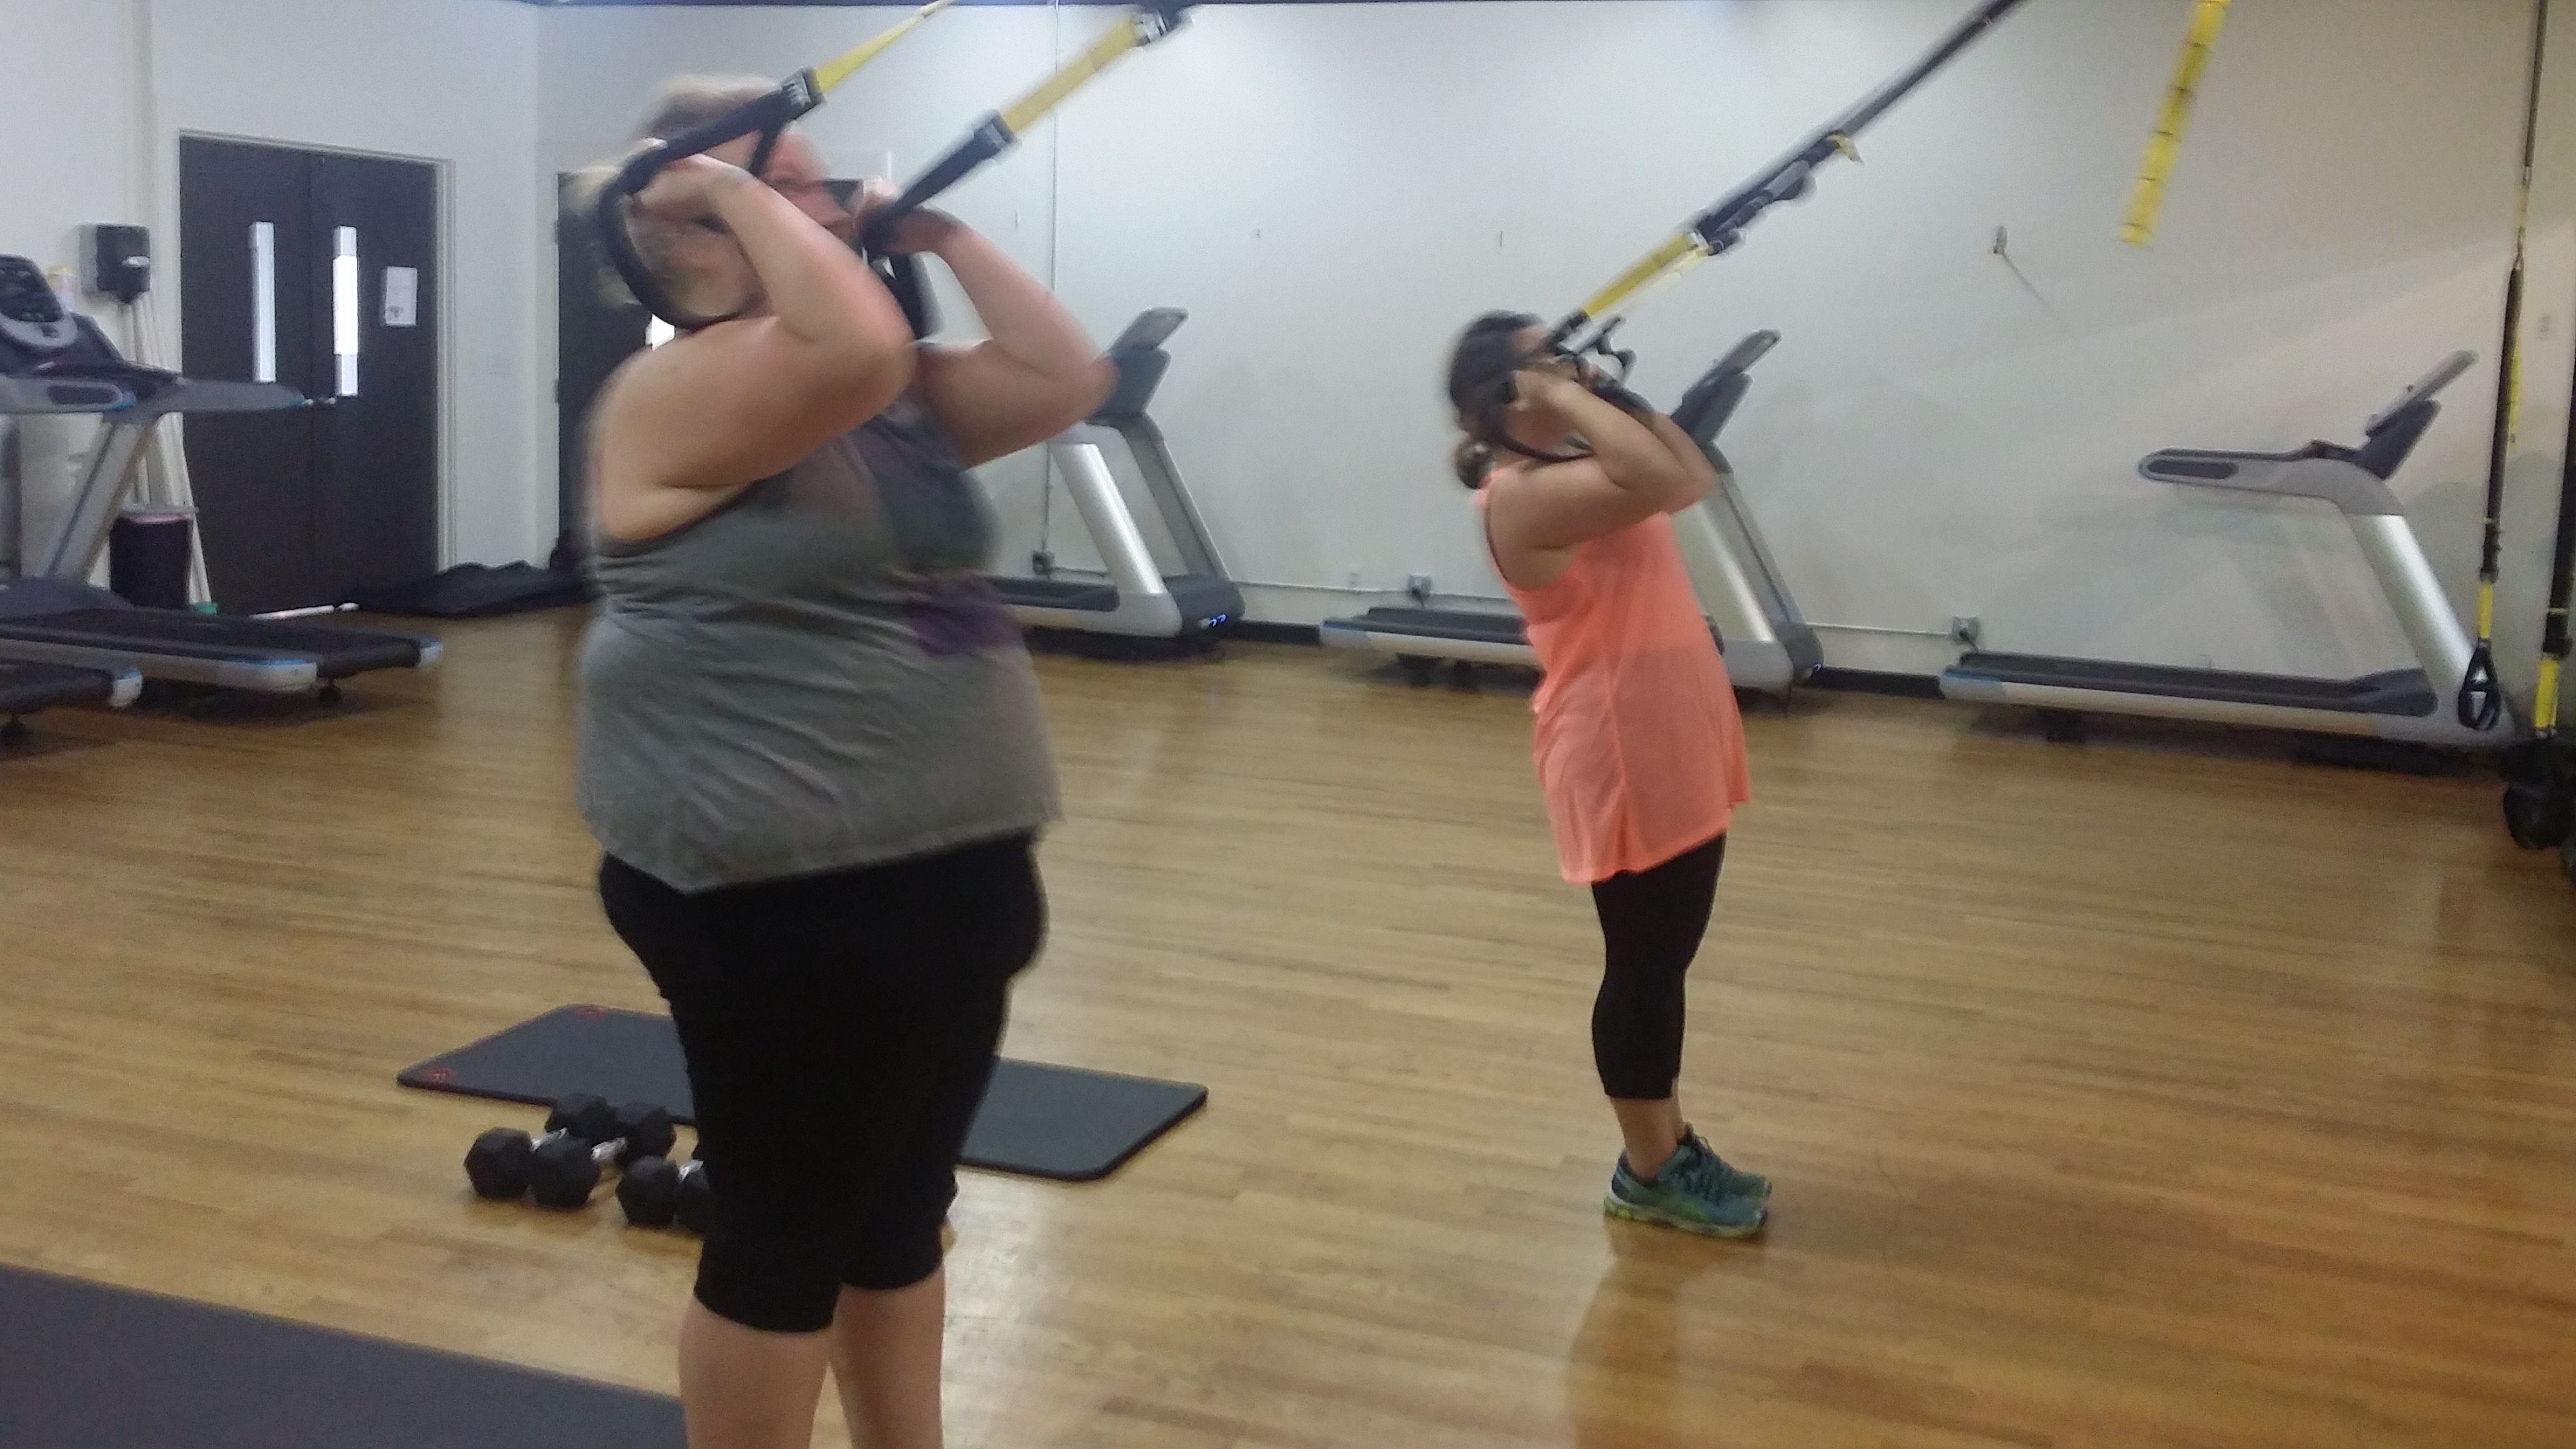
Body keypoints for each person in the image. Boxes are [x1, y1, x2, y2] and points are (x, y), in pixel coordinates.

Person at [572, 77, 1114, 1449]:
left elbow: (1067, 376)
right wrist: (724, 183)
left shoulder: (878, 396)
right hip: (783, 892)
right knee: (785, 1241)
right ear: (691, 227)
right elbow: (858, 341)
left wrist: (945, 239)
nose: (835, 202)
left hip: (942, 877)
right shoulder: (676, 387)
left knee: (898, 1218)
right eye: (793, 184)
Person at [1443, 311, 1770, 1239]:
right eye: (1543, 362)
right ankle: (1650, 1168)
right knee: (1645, 965)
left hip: (1670, 728)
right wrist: (1564, 393)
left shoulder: (1579, 471)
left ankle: (1668, 1144)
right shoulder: (1521, 496)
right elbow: (1659, 478)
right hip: (1622, 746)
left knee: (1667, 957)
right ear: (1504, 398)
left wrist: (1602, 390)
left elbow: (1690, 475)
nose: (1568, 367)